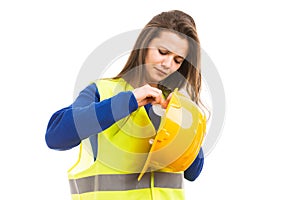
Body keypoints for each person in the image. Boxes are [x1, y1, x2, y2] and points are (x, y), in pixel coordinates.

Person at [45, 10, 207, 200]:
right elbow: (56, 137)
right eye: (163, 52)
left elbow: (193, 172)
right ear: (144, 46)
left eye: (178, 60)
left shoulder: (178, 106)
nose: (168, 64)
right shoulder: (102, 91)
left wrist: (179, 122)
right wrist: (129, 101)